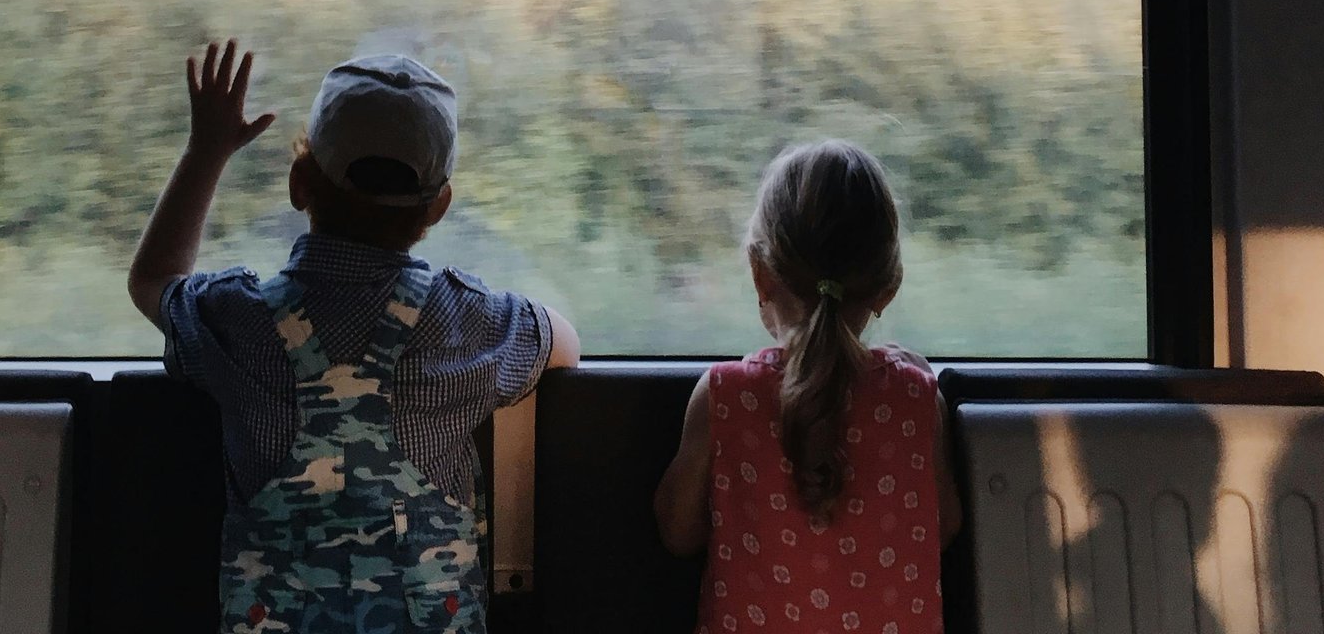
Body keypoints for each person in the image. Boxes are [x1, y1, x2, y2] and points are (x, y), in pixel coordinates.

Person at [129, 40, 580, 634]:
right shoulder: (468, 323)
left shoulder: (237, 320)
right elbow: (565, 343)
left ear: (299, 184)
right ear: (438, 207)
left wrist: (207, 150)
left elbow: (153, 280)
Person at [654, 140, 961, 634]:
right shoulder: (916, 400)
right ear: (888, 289)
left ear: (760, 274)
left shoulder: (725, 397)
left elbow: (677, 531)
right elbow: (942, 526)